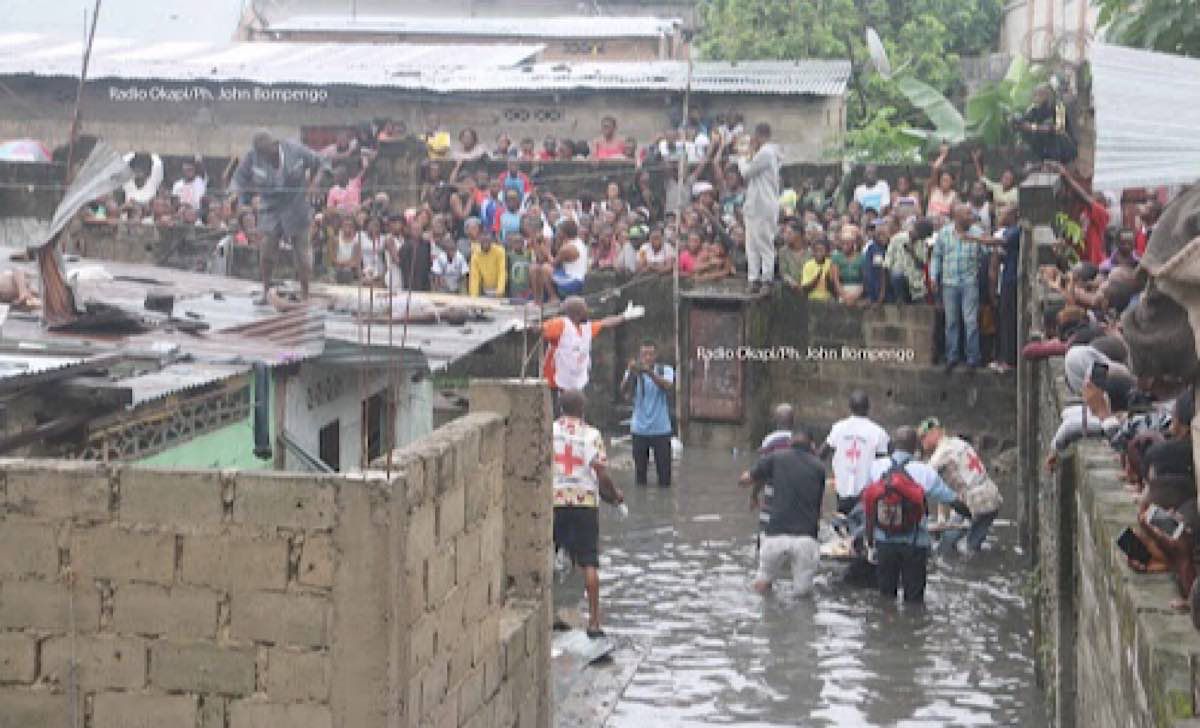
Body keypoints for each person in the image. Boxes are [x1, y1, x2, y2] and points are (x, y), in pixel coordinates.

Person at [863, 426, 970, 603]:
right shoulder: (925, 472)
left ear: (893, 445)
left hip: (884, 543)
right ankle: (913, 626)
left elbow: (868, 502)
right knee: (914, 601)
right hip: (915, 544)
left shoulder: (875, 468)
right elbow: (951, 499)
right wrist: (970, 514)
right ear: (915, 447)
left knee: (885, 598)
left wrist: (869, 542)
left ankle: (886, 625)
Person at [552, 389, 624, 638]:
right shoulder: (591, 435)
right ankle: (594, 622)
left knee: (544, 558)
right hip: (584, 503)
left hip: (555, 501)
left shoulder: (549, 431)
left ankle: (542, 616)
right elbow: (602, 475)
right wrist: (614, 496)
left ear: (560, 408)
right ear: (582, 410)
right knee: (589, 562)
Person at [230, 130, 330, 301]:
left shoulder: (295, 150)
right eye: (263, 156)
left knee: (302, 254)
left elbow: (323, 162)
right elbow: (239, 180)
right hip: (270, 208)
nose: (268, 159)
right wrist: (237, 198)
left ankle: (305, 293)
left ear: (276, 145)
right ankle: (266, 291)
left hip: (296, 205)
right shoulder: (252, 157)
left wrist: (315, 182)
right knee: (267, 251)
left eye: (270, 154)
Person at [739, 428, 825, 596]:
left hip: (775, 535)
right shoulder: (819, 468)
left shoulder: (776, 458)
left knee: (762, 583)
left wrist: (746, 482)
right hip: (805, 538)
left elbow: (746, 479)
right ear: (812, 446)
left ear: (790, 443)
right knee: (802, 594)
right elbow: (819, 508)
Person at [918, 417, 1003, 552]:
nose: (922, 442)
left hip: (979, 502)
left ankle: (971, 568)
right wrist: (941, 518)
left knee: (970, 548)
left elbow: (923, 477)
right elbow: (942, 487)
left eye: (923, 437)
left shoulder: (942, 452)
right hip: (990, 495)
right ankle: (952, 547)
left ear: (935, 433)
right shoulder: (958, 443)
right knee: (950, 539)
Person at [541, 296, 638, 392]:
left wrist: (624, 316)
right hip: (556, 381)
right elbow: (541, 329)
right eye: (585, 310)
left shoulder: (586, 328)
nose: (588, 312)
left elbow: (605, 323)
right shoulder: (560, 324)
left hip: (576, 381)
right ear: (578, 313)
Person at [931, 204, 985, 372]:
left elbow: (987, 254)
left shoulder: (977, 233)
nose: (971, 216)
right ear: (957, 217)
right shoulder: (944, 233)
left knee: (970, 321)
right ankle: (952, 356)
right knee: (951, 322)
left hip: (969, 282)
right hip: (949, 282)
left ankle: (972, 358)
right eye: (967, 214)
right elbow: (936, 256)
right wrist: (933, 276)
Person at [819, 391, 891, 515]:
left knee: (842, 522)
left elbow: (822, 454)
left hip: (842, 486)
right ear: (868, 408)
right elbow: (884, 464)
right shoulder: (878, 432)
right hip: (866, 489)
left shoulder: (838, 428)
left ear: (850, 407)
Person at [621, 341, 675, 488]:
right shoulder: (633, 373)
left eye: (650, 354)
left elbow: (667, 386)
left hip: (661, 430)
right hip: (639, 430)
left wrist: (649, 373)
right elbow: (624, 393)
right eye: (644, 354)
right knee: (640, 477)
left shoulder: (665, 370)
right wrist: (631, 372)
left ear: (656, 355)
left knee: (665, 478)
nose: (647, 357)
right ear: (640, 356)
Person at [738, 123, 782, 293]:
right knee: (752, 244)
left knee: (764, 242)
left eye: (754, 137)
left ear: (760, 135)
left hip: (764, 204)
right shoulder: (761, 153)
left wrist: (741, 158)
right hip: (753, 205)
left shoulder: (767, 152)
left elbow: (746, 173)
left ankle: (767, 279)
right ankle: (753, 278)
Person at [530, 219, 589, 304]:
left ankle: (554, 297)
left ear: (564, 233)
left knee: (546, 268)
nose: (557, 232)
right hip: (569, 274)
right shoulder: (577, 241)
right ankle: (538, 300)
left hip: (574, 280)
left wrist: (546, 250)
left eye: (559, 231)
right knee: (535, 268)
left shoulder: (568, 248)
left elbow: (553, 263)